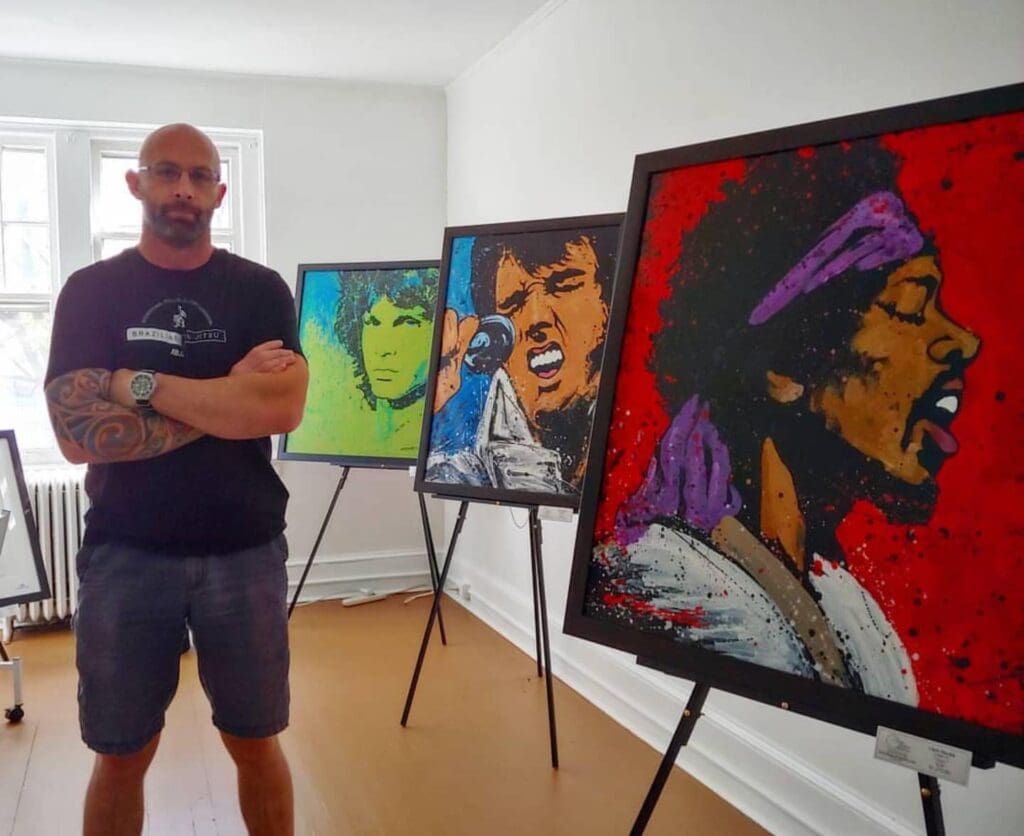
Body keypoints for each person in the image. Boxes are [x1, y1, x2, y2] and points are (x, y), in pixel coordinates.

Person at [595, 139, 979, 703]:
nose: (963, 341)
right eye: (909, 308)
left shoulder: (853, 613)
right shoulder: (672, 587)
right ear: (783, 370)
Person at [44, 123, 308, 836]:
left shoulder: (258, 290)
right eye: (166, 172)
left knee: (256, 741)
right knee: (120, 753)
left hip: (246, 553)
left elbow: (280, 408)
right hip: (125, 555)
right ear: (135, 183)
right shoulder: (92, 292)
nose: (184, 189)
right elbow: (75, 435)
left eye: (199, 176)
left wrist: (136, 383)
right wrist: (228, 395)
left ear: (220, 192)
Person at [427, 228, 617, 495]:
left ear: (607, 304)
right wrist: (433, 404)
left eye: (563, 285)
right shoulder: (476, 473)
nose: (536, 319)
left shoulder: (659, 457)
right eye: (514, 303)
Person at [332, 267, 438, 455]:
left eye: (408, 323)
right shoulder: (346, 434)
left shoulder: (448, 452)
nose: (384, 349)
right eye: (373, 323)